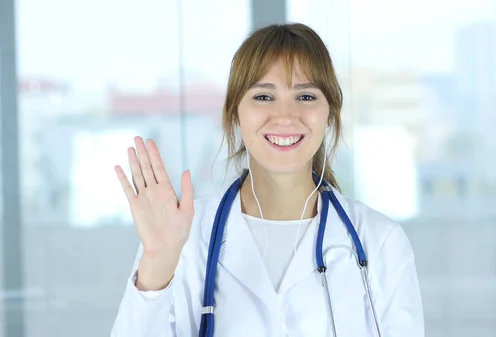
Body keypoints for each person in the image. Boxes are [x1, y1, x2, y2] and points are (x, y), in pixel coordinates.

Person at [110, 23, 424, 337]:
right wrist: (157, 263)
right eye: (263, 96)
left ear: (330, 112)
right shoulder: (185, 237)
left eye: (305, 96)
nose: (285, 116)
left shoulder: (380, 243)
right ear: (235, 113)